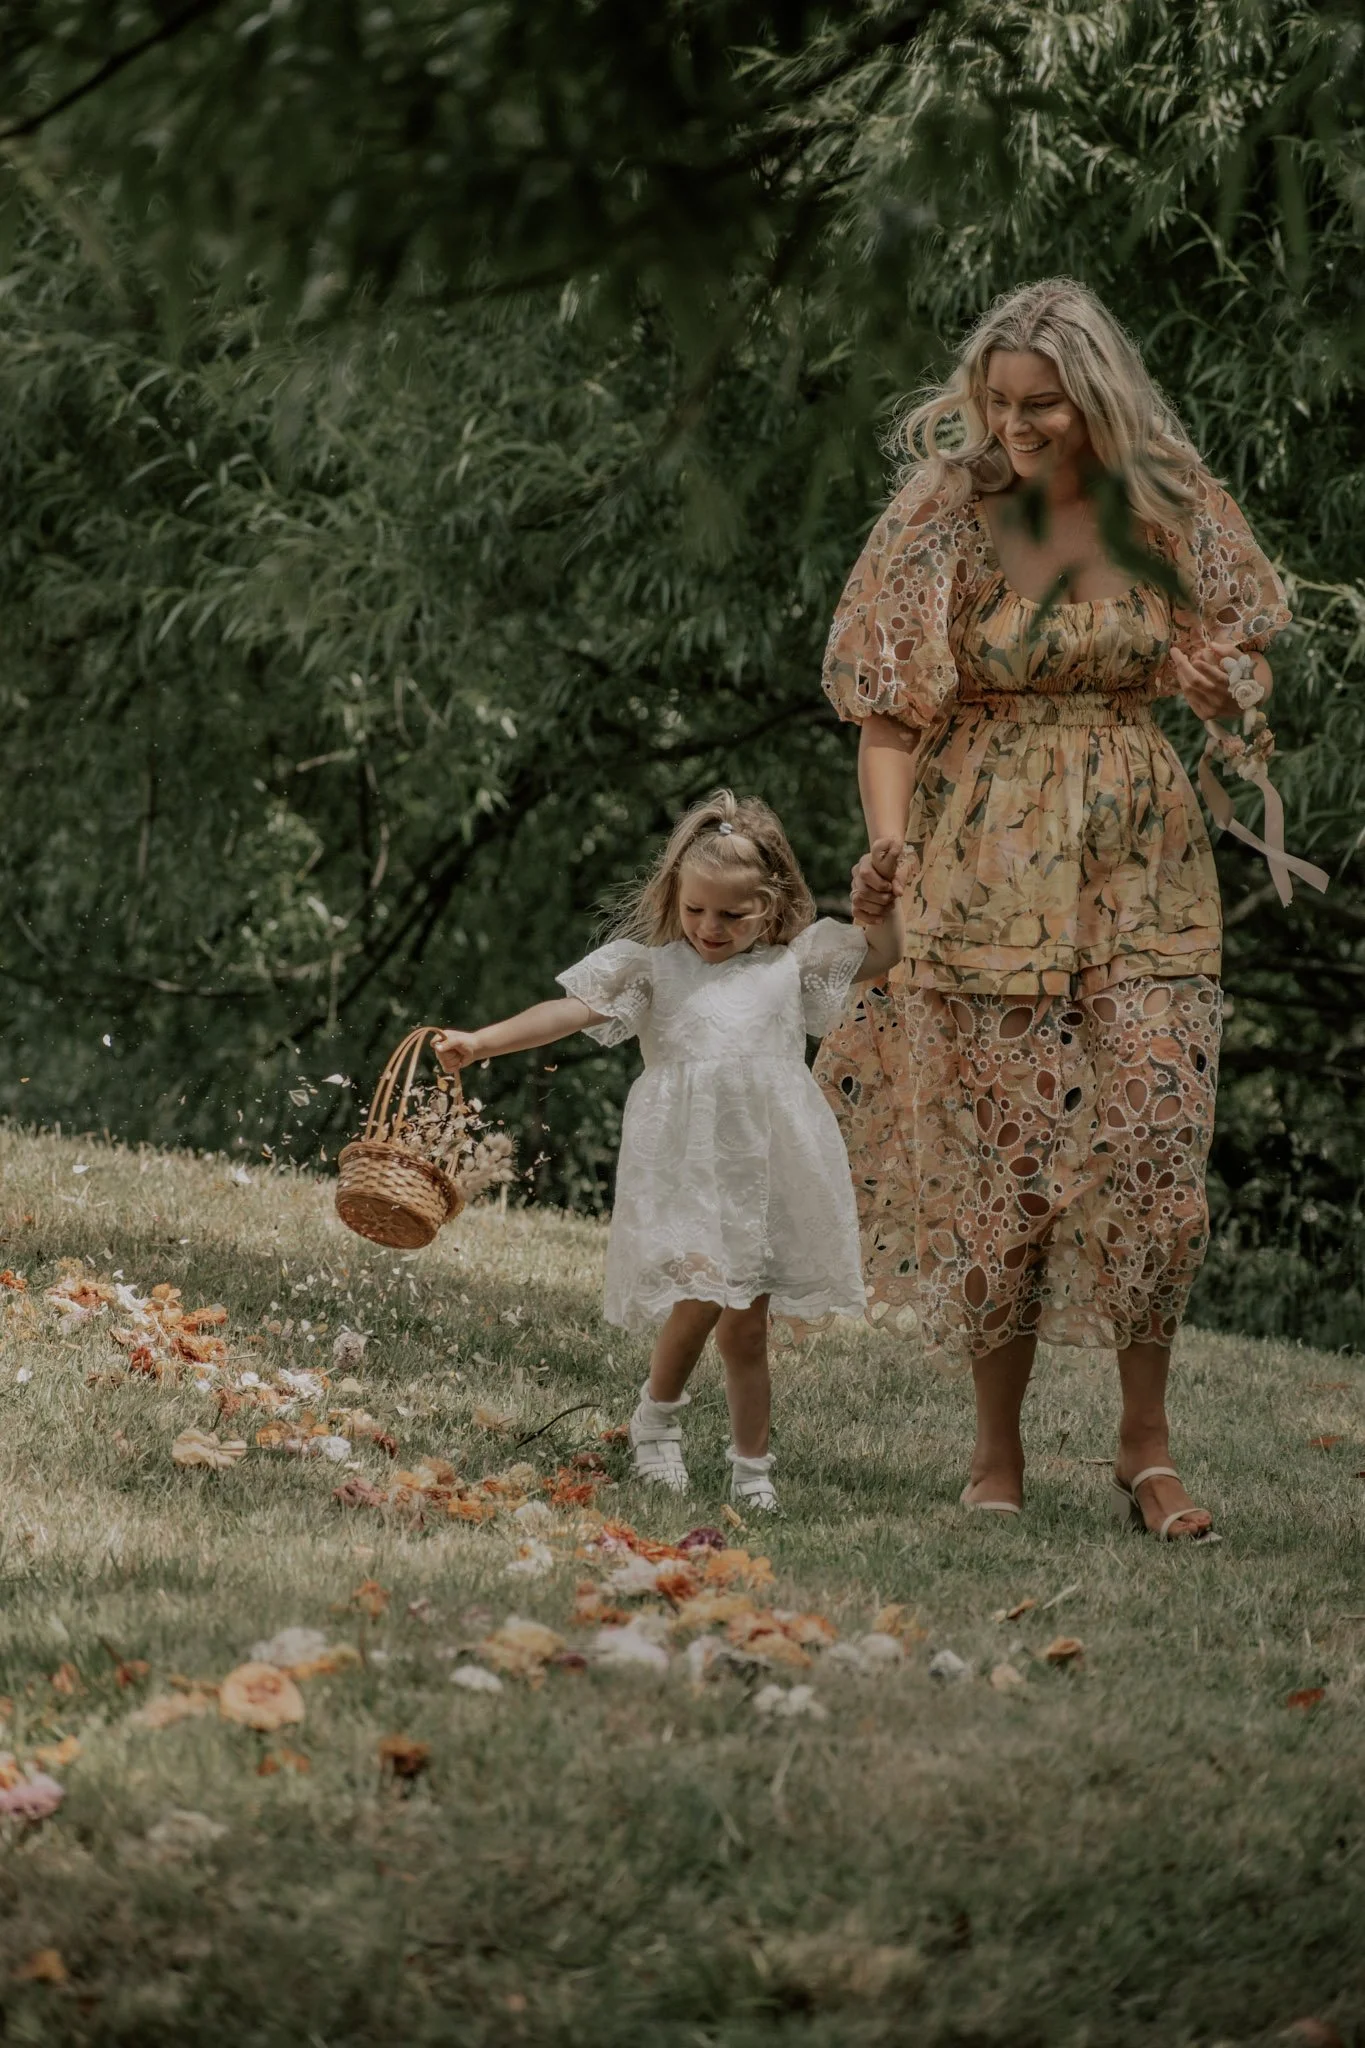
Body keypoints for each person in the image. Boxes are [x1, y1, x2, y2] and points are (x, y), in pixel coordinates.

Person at [815, 276, 1323, 1540]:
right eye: (999, 401)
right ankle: (996, 1453)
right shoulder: (949, 510)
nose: (1018, 426)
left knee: (1155, 1134)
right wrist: (889, 849)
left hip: (1143, 850)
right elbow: (886, 712)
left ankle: (1145, 1447)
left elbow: (1241, 660)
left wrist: (1219, 690)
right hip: (978, 846)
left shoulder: (1163, 497)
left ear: (1097, 397)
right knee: (1005, 1160)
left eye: (1043, 403)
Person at [434, 790, 903, 1512]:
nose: (708, 928)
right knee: (698, 1302)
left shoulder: (792, 964)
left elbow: (881, 953)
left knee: (746, 1328)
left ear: (771, 906)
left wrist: (881, 900)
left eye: (730, 914)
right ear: (675, 897)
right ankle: (656, 1420)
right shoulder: (654, 970)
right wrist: (483, 1040)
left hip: (765, 1167)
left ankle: (753, 1469)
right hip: (689, 1166)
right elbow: (568, 1011)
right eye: (694, 910)